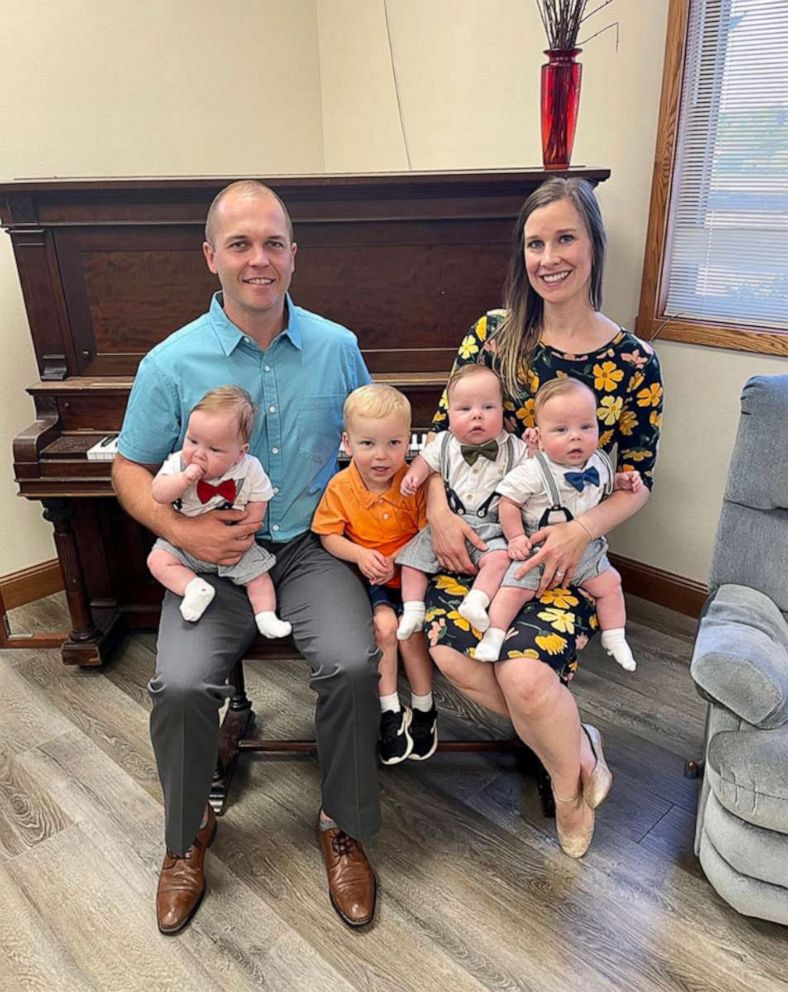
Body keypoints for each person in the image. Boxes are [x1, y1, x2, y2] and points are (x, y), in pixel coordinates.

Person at [112, 180, 380, 933]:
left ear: (294, 254)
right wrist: (188, 535)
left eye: (272, 243)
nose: (257, 259)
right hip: (207, 559)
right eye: (239, 244)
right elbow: (129, 469)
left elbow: (369, 450)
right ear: (211, 257)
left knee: (355, 666)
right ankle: (186, 836)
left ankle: (344, 824)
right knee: (181, 685)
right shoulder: (171, 362)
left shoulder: (337, 346)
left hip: (309, 548)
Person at [424, 177, 663, 859]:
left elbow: (636, 480)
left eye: (565, 238)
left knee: (526, 679)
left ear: (593, 245)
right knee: (453, 654)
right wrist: (439, 514)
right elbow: (440, 441)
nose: (549, 256)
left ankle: (566, 785)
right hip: (481, 549)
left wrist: (581, 529)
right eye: (535, 242)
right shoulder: (492, 336)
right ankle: (580, 745)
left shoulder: (634, 363)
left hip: (566, 558)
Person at [475, 377, 643, 667]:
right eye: (562, 430)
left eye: (586, 427)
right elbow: (508, 502)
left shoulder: (600, 463)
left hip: (586, 548)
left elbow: (605, 487)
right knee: (513, 588)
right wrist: (515, 538)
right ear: (539, 436)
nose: (575, 437)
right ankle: (494, 633)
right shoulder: (533, 471)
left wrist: (621, 481)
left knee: (612, 584)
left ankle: (614, 637)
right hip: (536, 547)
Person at [311, 384, 438, 764]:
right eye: (368, 444)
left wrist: (401, 556)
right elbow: (329, 535)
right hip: (375, 580)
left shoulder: (413, 485)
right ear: (347, 443)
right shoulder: (341, 486)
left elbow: (428, 533)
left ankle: (425, 707)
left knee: (410, 629)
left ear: (408, 443)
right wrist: (361, 554)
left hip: (415, 577)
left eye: (393, 443)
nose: (381, 456)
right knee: (384, 627)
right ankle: (389, 711)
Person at [148, 385, 291, 639]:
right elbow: (159, 493)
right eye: (193, 441)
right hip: (184, 547)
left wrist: (249, 526)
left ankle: (266, 616)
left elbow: (261, 497)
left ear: (240, 453)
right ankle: (194, 588)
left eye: (214, 449)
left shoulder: (249, 468)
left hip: (234, 546)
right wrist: (182, 480)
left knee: (259, 578)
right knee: (157, 561)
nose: (198, 454)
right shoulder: (179, 462)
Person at [396, 364, 527, 639]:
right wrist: (414, 476)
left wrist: (536, 446)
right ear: (450, 413)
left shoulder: (515, 448)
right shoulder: (444, 443)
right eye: (464, 409)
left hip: (491, 529)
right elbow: (424, 462)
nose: (477, 415)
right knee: (411, 562)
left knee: (500, 559)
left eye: (488, 407)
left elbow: (535, 471)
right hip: (446, 522)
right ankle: (413, 610)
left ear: (503, 411)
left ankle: (476, 601)